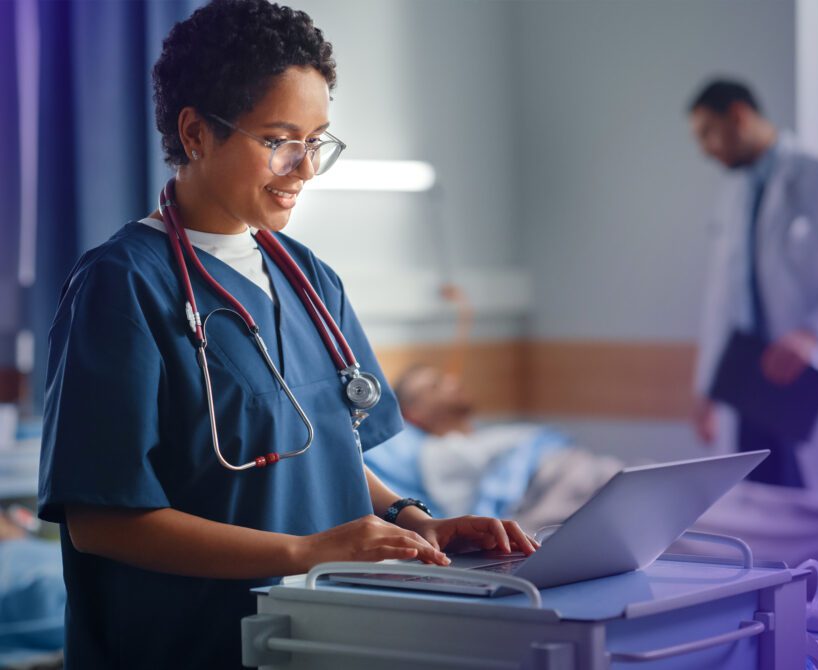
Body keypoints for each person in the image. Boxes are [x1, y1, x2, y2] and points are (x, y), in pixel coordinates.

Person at [36, 2, 535, 667]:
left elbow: (322, 449)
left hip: (324, 638)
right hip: (192, 645)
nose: (304, 168)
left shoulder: (311, 281)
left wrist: (416, 519)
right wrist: (305, 552)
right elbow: (101, 521)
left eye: (317, 139)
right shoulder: (122, 285)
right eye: (278, 140)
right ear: (195, 134)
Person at [688, 78, 818, 494]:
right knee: (761, 515)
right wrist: (706, 389)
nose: (705, 149)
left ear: (738, 117)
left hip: (812, 380)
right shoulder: (736, 193)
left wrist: (816, 334)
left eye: (707, 133)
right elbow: (723, 300)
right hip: (750, 385)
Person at [365, 365, 623, 533]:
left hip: (568, 467)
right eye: (434, 386)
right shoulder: (435, 451)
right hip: (546, 486)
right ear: (413, 413)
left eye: (445, 377)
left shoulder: (491, 436)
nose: (451, 381)